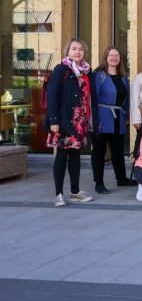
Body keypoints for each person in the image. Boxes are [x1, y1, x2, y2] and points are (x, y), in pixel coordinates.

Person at [46, 38, 95, 207]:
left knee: (75, 156)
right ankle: (58, 194)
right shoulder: (61, 69)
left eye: (81, 49)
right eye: (74, 49)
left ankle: (75, 192)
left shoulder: (85, 71)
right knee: (61, 155)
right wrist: (53, 120)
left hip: (79, 121)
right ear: (68, 51)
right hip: (63, 119)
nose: (77, 52)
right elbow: (51, 95)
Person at [89, 46, 130, 194]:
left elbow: (126, 99)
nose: (114, 58)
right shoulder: (98, 75)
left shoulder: (123, 78)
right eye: (111, 55)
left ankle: (122, 179)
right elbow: (92, 99)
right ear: (105, 57)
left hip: (118, 118)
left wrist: (126, 116)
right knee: (99, 152)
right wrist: (94, 119)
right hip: (101, 117)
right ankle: (98, 183)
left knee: (118, 151)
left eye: (117, 55)